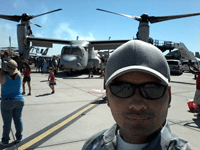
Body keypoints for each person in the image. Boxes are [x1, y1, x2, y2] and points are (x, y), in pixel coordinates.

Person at [82, 40, 196, 150]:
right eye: (122, 89)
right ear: (108, 97)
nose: (137, 105)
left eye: (152, 89)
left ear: (169, 97)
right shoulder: (91, 145)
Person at [0, 59, 24, 146]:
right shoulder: (19, 75)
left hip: (7, 101)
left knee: (7, 123)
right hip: (19, 100)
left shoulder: (3, 76)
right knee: (18, 120)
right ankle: (19, 137)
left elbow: (1, 80)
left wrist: (3, 69)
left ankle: (5, 140)